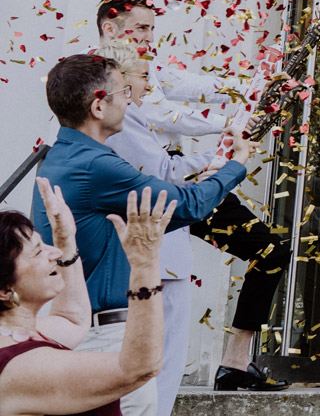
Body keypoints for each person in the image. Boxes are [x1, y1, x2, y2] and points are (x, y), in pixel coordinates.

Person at [31, 54, 252, 416]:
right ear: (99, 106)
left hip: (85, 328)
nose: (131, 98)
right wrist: (236, 165)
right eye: (124, 91)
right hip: (103, 337)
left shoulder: (66, 156)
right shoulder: (96, 166)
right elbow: (186, 206)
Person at [96, 0, 290, 393]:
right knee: (162, 301)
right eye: (143, 27)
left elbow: (194, 85)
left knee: (270, 250)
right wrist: (232, 124)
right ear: (109, 29)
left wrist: (256, 84)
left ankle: (236, 362)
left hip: (188, 181)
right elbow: (164, 113)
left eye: (153, 27)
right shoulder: (105, 76)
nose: (151, 36)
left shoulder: (150, 70)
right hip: (157, 193)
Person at [0, 181, 175, 416]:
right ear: (5, 291)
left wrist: (65, 238)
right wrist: (144, 266)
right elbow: (139, 368)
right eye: (39, 251)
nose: (55, 253)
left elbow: (71, 319)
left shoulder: (13, 334)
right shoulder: (22, 367)